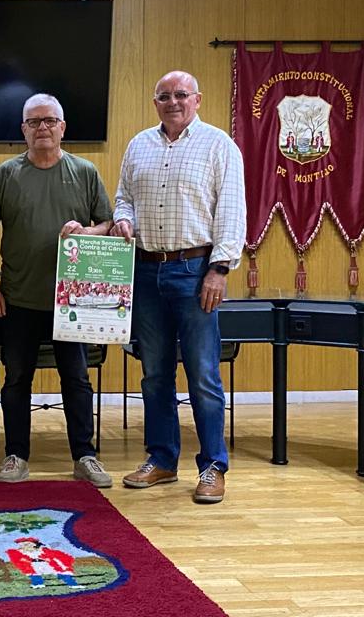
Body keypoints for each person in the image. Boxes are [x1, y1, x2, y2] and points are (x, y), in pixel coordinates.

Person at [112, 70, 245, 504]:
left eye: (181, 94)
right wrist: (123, 218)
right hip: (146, 271)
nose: (173, 102)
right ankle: (162, 459)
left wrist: (219, 270)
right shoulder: (138, 145)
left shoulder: (219, 145)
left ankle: (212, 466)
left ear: (197, 99)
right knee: (154, 375)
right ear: (155, 103)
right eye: (164, 95)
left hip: (196, 271)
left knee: (203, 375)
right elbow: (123, 197)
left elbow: (231, 212)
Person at [0, 93, 113, 487]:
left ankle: (85, 456)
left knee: (77, 379)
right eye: (34, 122)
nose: (42, 128)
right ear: (23, 129)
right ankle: (16, 456)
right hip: (18, 298)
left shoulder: (85, 172)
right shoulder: (6, 174)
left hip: (72, 300)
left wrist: (86, 232)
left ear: (62, 127)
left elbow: (108, 224)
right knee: (16, 379)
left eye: (50, 120)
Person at [5, 537, 85, 590]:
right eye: (23, 545)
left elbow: (50, 551)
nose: (25, 546)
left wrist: (46, 556)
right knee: (33, 574)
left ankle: (72, 584)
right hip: (33, 565)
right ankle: (37, 584)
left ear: (34, 545)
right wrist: (26, 560)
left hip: (45, 564)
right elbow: (19, 558)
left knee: (61, 572)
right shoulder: (20, 552)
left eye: (28, 544)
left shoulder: (41, 550)